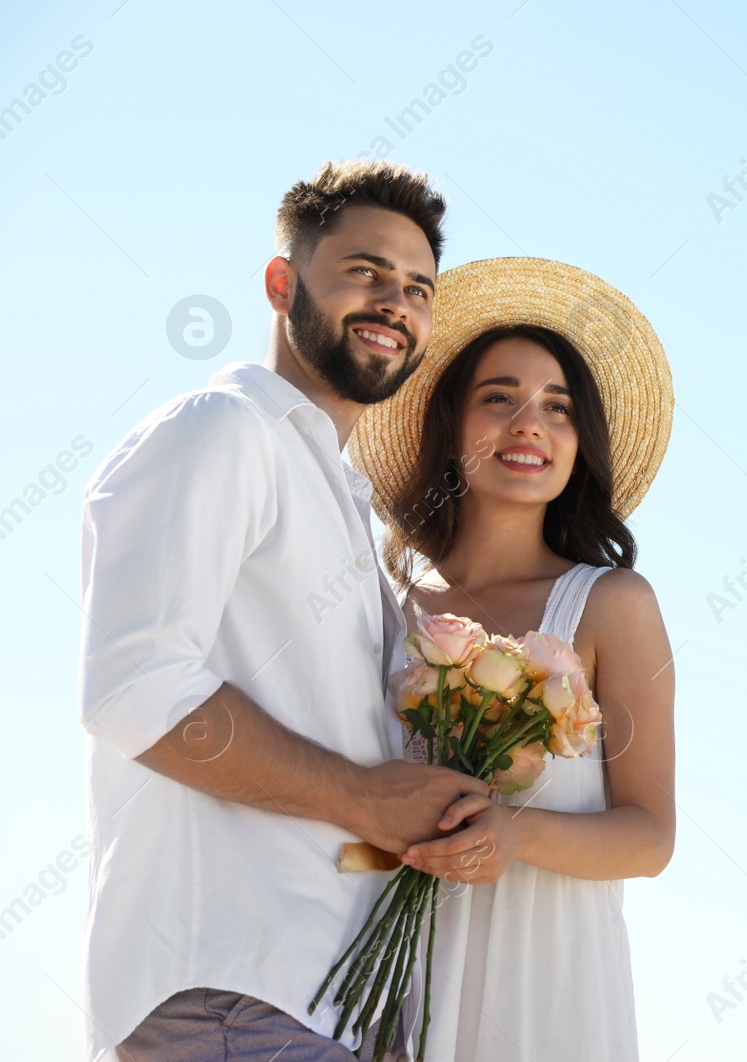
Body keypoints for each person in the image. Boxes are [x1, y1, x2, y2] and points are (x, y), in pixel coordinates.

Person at [78, 159, 485, 1062]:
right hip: (235, 991)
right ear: (280, 282)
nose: (394, 301)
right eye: (364, 272)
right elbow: (135, 687)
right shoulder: (222, 429)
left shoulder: (343, 496)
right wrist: (361, 798)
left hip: (328, 1002)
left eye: (418, 287)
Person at [347, 256, 677, 1061]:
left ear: (580, 441)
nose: (530, 423)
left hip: (548, 991)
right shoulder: (382, 607)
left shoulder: (612, 605)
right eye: (499, 398)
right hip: (384, 986)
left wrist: (516, 836)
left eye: (558, 407)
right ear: (450, 423)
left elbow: (650, 834)